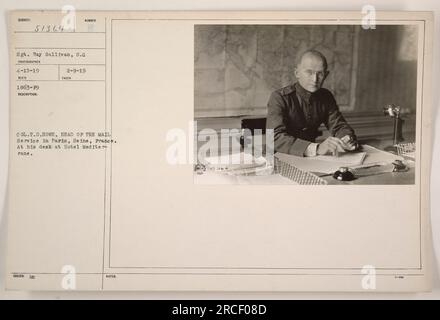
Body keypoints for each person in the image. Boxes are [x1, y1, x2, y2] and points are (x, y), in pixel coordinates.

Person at [266, 49, 359, 157]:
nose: (315, 79)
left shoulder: (326, 96)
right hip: (281, 157)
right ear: (297, 73)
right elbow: (274, 138)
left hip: (312, 159)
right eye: (309, 72)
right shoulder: (280, 97)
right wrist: (318, 148)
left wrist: (346, 138)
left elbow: (338, 126)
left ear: (326, 75)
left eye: (320, 74)